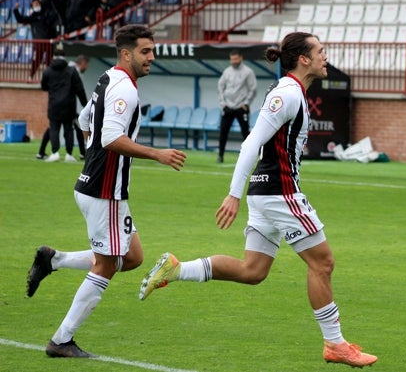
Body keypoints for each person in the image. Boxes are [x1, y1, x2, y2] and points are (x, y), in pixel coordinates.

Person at [139, 32, 377, 368]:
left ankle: (178, 270)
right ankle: (335, 345)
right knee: (322, 263)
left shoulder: (292, 92)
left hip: (266, 195)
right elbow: (251, 143)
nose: (326, 56)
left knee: (253, 271)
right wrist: (233, 194)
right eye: (320, 51)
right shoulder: (287, 94)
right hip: (280, 193)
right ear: (303, 59)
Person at [25, 25, 187, 358]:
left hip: (96, 186)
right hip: (104, 192)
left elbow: (85, 121)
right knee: (108, 264)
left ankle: (53, 260)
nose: (151, 58)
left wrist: (93, 155)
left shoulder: (106, 79)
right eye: (145, 52)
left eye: (153, 51)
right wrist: (156, 153)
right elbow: (110, 138)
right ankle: (62, 340)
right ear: (126, 53)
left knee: (133, 257)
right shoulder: (125, 90)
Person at [41, 43, 88, 163]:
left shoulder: (48, 71)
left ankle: (55, 152)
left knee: (54, 128)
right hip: (69, 104)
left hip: (54, 104)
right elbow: (79, 89)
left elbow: (44, 86)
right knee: (69, 129)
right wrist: (85, 104)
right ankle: (69, 154)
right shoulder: (71, 71)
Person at [216, 49, 257, 163]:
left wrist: (246, 103)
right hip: (228, 107)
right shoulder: (227, 71)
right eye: (232, 59)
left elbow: (253, 89)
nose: (234, 61)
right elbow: (220, 87)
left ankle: (249, 157)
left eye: (236, 59)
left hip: (241, 107)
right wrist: (223, 104)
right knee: (223, 132)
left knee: (245, 134)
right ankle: (220, 156)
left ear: (240, 58)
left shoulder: (248, 72)